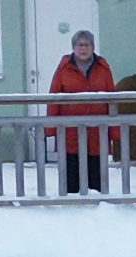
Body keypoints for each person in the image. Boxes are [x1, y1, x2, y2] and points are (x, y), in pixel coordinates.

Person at [48, 31, 117, 195]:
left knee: (97, 177)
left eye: (87, 45)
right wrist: (51, 128)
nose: (83, 49)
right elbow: (53, 98)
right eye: (80, 45)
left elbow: (112, 99)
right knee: (71, 176)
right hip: (69, 131)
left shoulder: (103, 68)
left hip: (97, 131)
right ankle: (71, 205)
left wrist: (114, 130)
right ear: (73, 47)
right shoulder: (63, 68)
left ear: (93, 47)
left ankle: (98, 206)